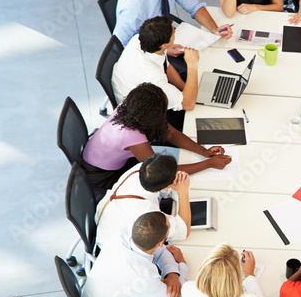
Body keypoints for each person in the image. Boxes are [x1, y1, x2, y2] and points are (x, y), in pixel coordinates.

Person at [80, 83, 231, 196]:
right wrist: (208, 164)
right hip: (101, 177)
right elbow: (160, 172)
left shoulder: (132, 106)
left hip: (103, 157)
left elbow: (170, 133)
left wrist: (204, 151)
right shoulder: (132, 136)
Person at [81, 211, 188, 297]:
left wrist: (172, 274)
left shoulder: (123, 234)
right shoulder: (142, 274)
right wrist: (182, 265)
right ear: (162, 241)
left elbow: (162, 251)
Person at [95, 155, 191, 251]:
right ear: (166, 187)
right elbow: (183, 231)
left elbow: (163, 190)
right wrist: (183, 192)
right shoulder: (146, 212)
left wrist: (173, 183)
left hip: (108, 221)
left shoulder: (142, 169)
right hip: (113, 249)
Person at [112, 16, 200, 117]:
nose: (175, 33)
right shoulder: (154, 80)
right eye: (173, 34)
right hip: (138, 113)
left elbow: (166, 65)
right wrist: (192, 65)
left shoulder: (140, 39)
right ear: (164, 45)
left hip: (129, 86)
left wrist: (185, 88)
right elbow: (188, 104)